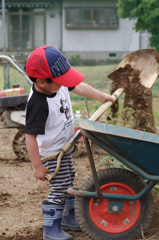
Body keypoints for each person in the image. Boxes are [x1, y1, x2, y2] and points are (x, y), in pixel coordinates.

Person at [25, 45, 115, 240]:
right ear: (41, 81)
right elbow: (30, 136)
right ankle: (51, 229)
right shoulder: (38, 104)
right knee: (59, 186)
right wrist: (37, 166)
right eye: (61, 81)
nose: (65, 84)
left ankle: (67, 218)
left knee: (69, 176)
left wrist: (101, 96)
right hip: (51, 153)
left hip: (64, 148)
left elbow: (77, 86)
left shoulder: (56, 82)